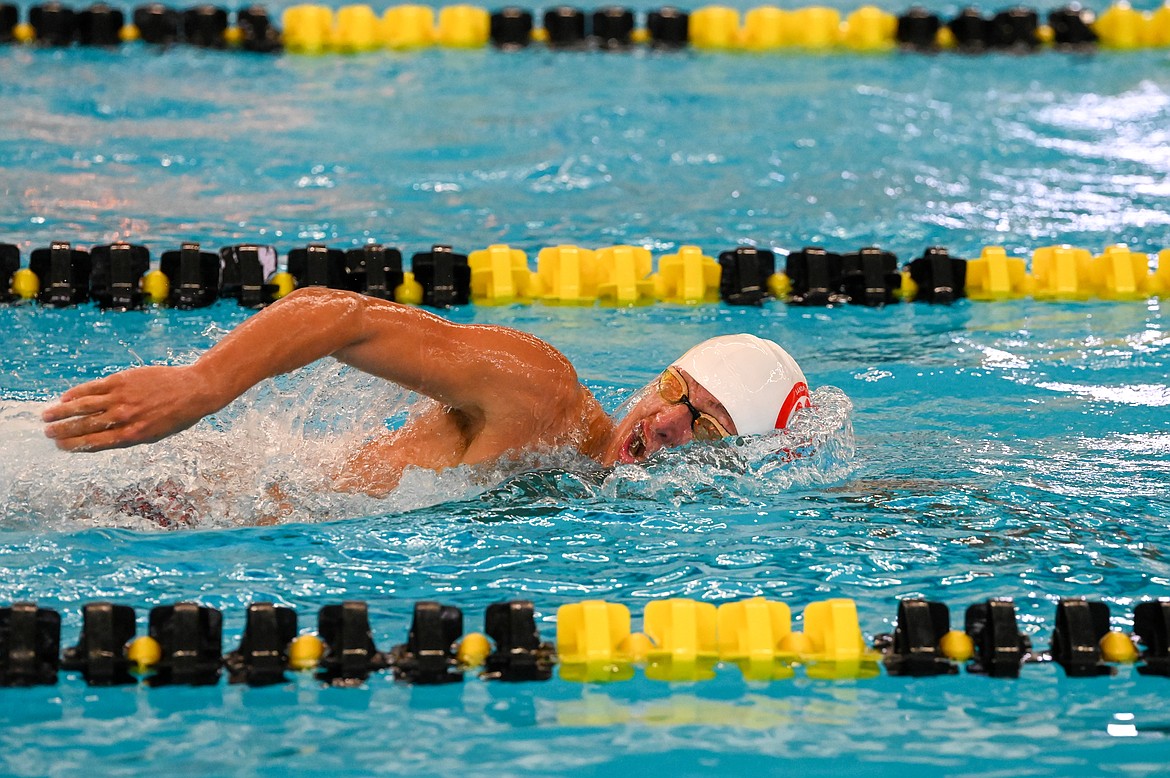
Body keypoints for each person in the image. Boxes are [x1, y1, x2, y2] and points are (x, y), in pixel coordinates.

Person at [42, 288, 810, 497]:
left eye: (705, 427)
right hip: (146, 480)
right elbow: (344, 316)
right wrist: (199, 386)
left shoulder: (575, 486)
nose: (666, 422)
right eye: (677, 390)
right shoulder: (542, 397)